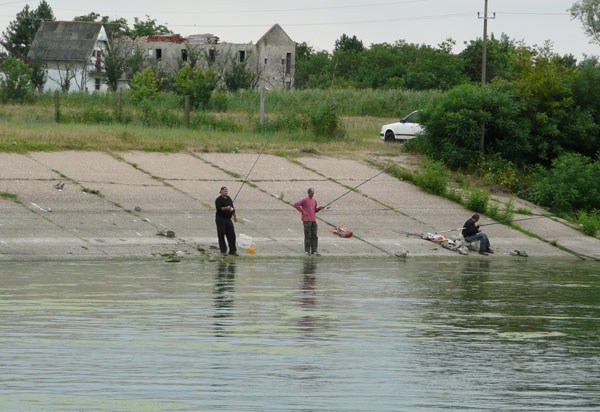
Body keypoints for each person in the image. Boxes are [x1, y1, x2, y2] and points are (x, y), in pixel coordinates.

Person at [294, 187, 323, 256]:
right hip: (306, 220)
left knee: (315, 236)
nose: (312, 194)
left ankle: (314, 251)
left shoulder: (314, 200)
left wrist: (319, 209)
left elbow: (314, 210)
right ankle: (307, 251)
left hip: (313, 220)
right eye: (310, 193)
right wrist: (303, 212)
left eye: (313, 193)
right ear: (308, 193)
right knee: (308, 235)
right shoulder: (304, 200)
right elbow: (296, 205)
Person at [215, 186, 238, 256]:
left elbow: (232, 208)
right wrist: (226, 208)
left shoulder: (229, 198)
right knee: (221, 234)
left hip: (228, 219)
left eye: (226, 191)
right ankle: (223, 251)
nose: (226, 192)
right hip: (220, 219)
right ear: (221, 191)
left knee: (232, 235)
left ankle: (232, 251)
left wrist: (234, 216)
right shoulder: (218, 200)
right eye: (224, 191)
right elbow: (219, 209)